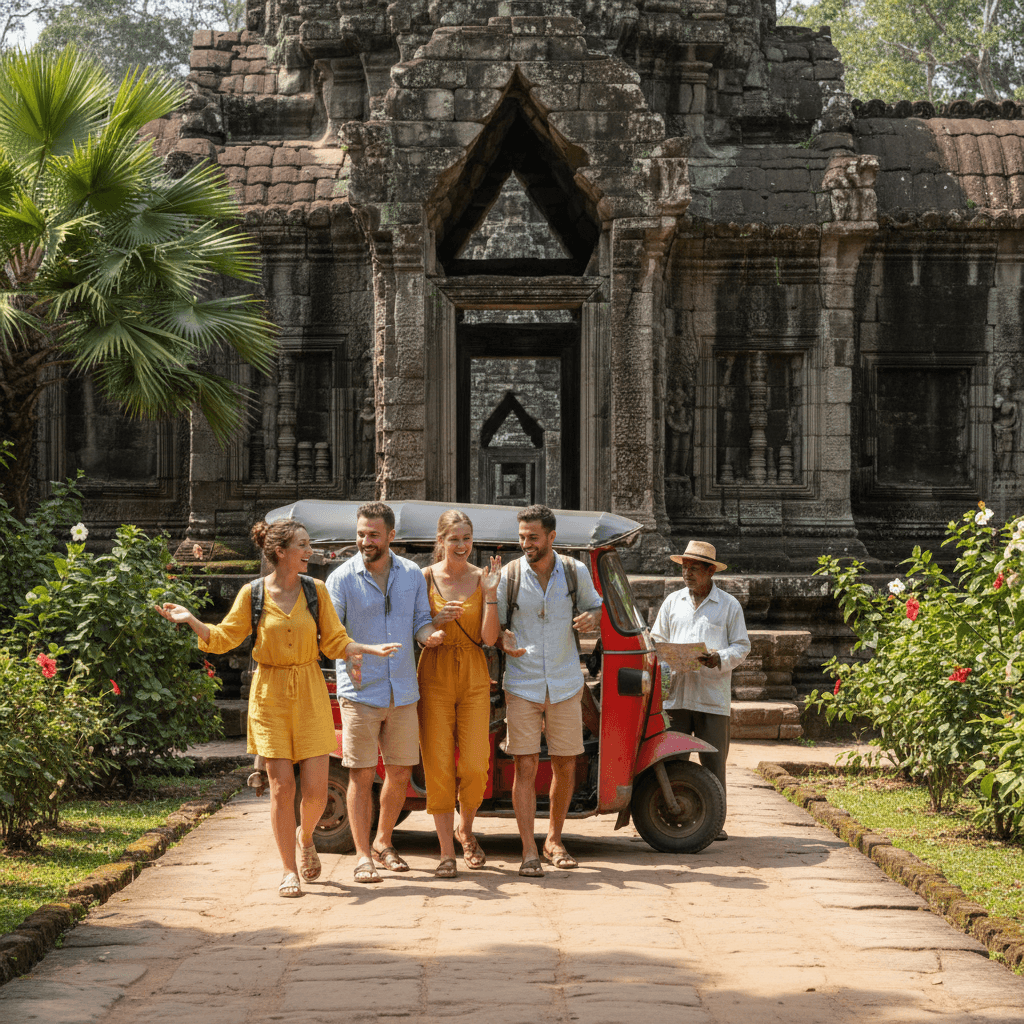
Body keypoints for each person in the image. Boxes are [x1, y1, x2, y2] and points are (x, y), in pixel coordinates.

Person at [155, 519, 399, 897]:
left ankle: (306, 836)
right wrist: (191, 620)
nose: (309, 551)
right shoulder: (252, 594)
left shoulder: (315, 590)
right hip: (269, 695)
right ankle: (288, 870)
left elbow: (335, 641)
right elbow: (223, 638)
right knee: (283, 787)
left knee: (315, 793)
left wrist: (365, 649)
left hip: (309, 692)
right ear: (281, 552)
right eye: (302, 545)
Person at [326, 501, 445, 883]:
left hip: (403, 691)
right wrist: (353, 652)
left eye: (374, 535)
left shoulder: (411, 574)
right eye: (361, 534)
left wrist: (430, 636)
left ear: (391, 536)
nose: (366, 541)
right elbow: (331, 635)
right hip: (360, 691)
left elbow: (420, 622)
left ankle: (382, 841)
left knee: (400, 773)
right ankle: (363, 856)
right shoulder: (341, 579)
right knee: (361, 776)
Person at [497, 504, 602, 878]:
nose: (526, 543)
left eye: (533, 537)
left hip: (564, 680)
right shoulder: (510, 575)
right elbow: (495, 626)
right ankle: (528, 847)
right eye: (522, 537)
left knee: (566, 762)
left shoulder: (574, 571)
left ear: (552, 537)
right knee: (525, 765)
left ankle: (554, 839)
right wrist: (503, 638)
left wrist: (593, 617)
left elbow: (596, 609)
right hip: (522, 683)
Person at [417, 511, 502, 877]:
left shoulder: (483, 578)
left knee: (475, 763)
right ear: (441, 541)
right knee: (437, 763)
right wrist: (435, 624)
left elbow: (489, 638)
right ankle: (446, 850)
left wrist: (491, 594)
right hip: (434, 669)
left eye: (467, 538)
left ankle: (465, 829)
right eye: (454, 539)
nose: (462, 545)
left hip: (473, 671)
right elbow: (416, 627)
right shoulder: (424, 577)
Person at [650, 540, 750, 840]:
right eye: (685, 568)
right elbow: (656, 640)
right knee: (673, 761)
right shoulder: (673, 602)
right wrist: (669, 655)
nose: (688, 574)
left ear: (710, 571)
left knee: (714, 763)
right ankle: (668, 817)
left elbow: (742, 646)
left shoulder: (728, 605)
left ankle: (714, 823)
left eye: (694, 568)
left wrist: (719, 657)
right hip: (676, 696)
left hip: (711, 698)